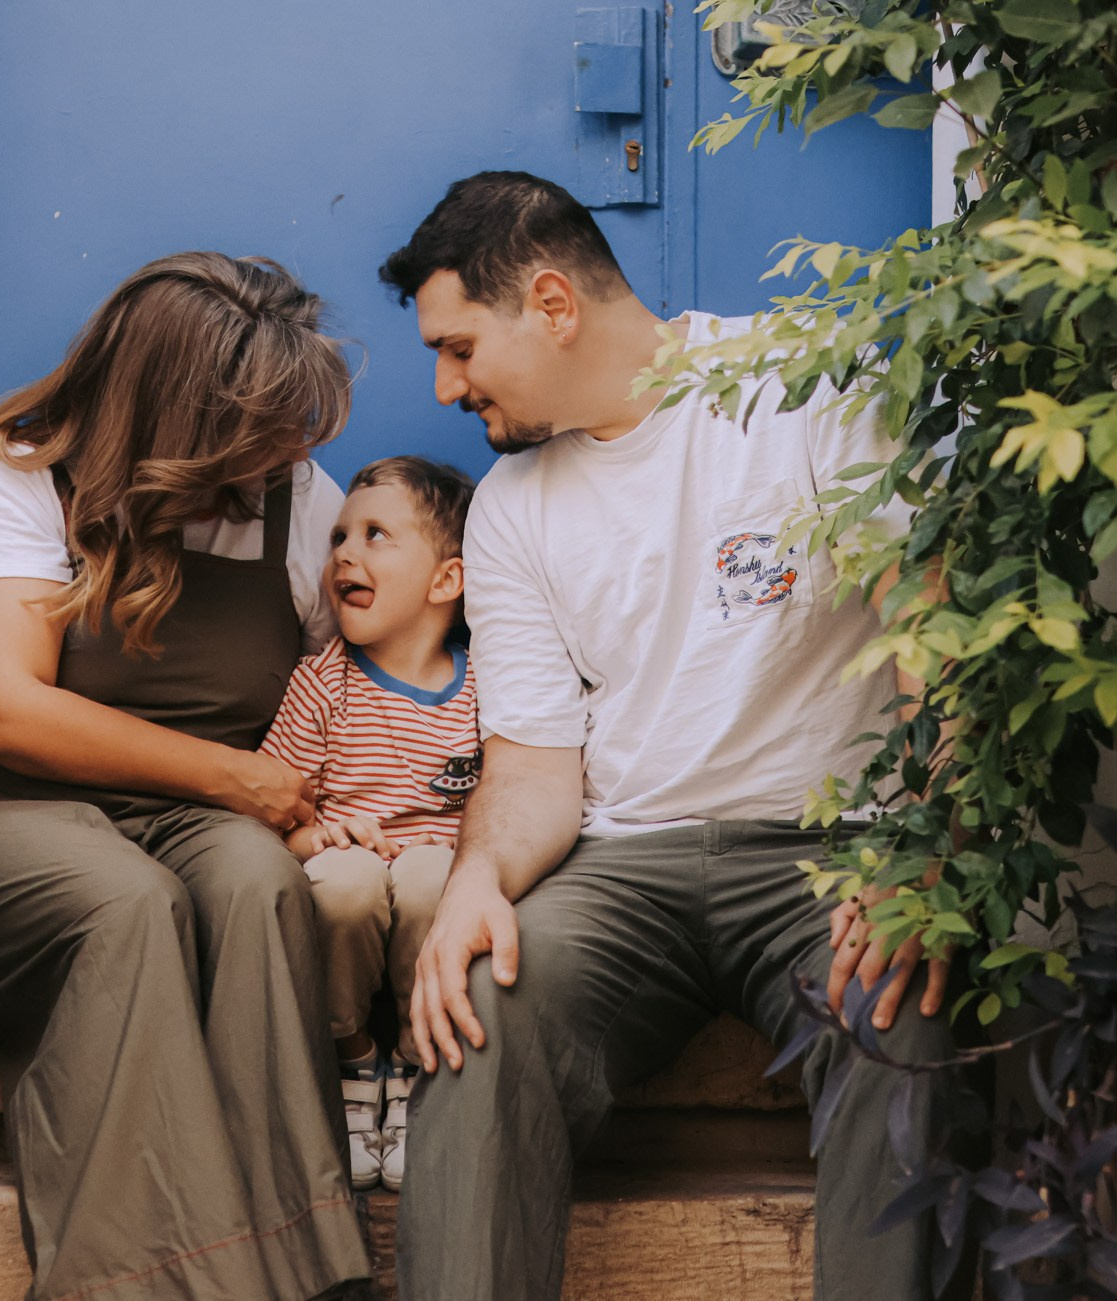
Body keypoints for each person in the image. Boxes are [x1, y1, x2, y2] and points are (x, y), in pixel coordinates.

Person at [376, 172, 955, 1300]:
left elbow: (935, 631)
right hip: (624, 864)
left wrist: (927, 852)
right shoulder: (510, 506)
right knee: (481, 1008)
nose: (444, 386)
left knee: (898, 1010)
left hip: (831, 849)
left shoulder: (802, 387)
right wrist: (476, 879)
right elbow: (535, 766)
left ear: (550, 304)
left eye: (456, 348)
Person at [0, 252, 372, 1301]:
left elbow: (346, 688)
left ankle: (303, 1271)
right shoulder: (23, 474)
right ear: (186, 419)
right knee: (123, 904)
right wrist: (238, 781)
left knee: (252, 890)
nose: (300, 445)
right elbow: (0, 708)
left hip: (199, 819)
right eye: (272, 424)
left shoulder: (298, 496)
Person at [261, 454, 481, 1196]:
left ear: (445, 581)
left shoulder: (485, 689)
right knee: (341, 883)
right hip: (347, 874)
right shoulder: (323, 680)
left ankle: (422, 1068)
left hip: (431, 884)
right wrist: (309, 837)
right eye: (337, 538)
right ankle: (353, 1065)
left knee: (432, 877)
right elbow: (275, 808)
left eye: (376, 535)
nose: (345, 555)